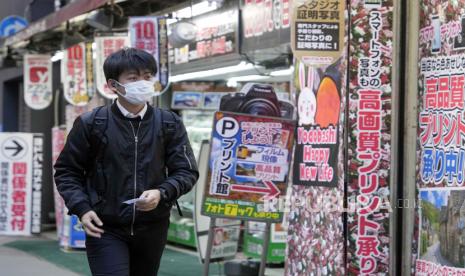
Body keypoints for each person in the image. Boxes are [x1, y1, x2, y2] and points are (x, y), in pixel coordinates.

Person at [54, 47, 199, 276]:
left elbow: (186, 171)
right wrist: (82, 208)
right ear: (114, 85)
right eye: (133, 78)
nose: (142, 83)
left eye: (147, 77)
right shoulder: (92, 123)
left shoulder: (168, 123)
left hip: (153, 227)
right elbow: (66, 170)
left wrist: (161, 192)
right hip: (105, 227)